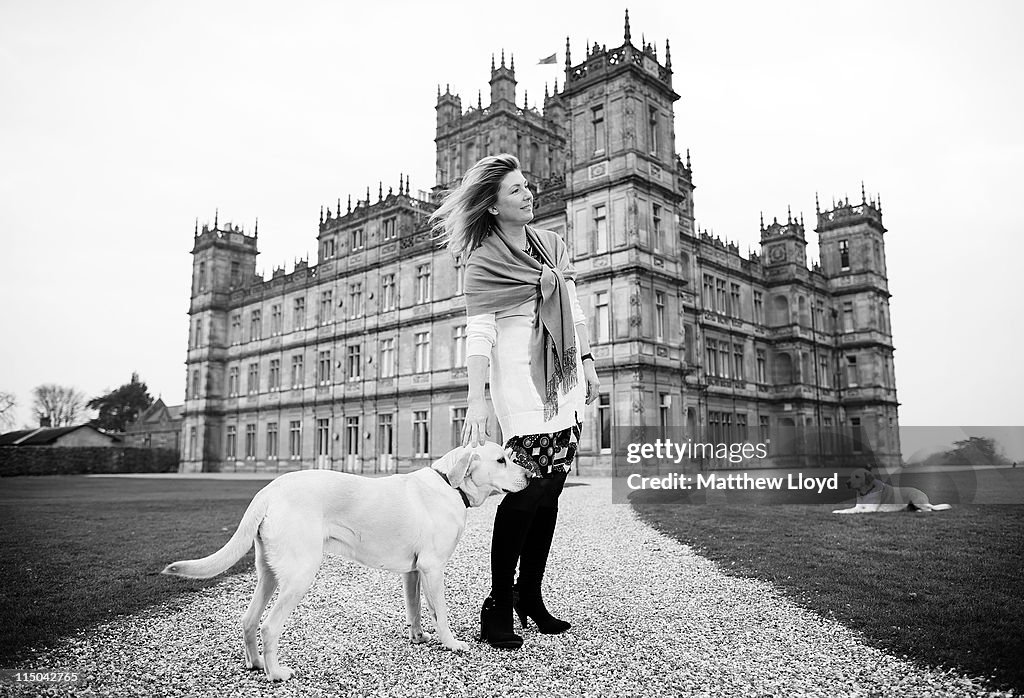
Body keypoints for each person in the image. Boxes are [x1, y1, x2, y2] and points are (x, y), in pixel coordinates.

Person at [430, 153, 600, 649]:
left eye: (526, 186)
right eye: (515, 191)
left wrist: (587, 362)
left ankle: (531, 595)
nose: (527, 195)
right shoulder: (483, 259)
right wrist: (477, 398)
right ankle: (498, 603)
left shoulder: (553, 246)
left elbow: (573, 308)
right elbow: (479, 333)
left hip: (563, 376)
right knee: (525, 492)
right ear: (493, 206)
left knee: (549, 495)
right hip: (519, 381)